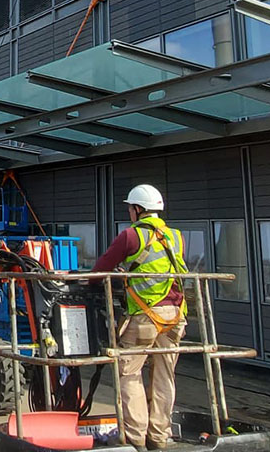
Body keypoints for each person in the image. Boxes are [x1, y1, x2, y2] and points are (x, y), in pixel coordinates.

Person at [91, 184, 188, 451]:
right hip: (175, 316)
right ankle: (159, 437)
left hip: (146, 316)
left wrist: (90, 283)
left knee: (129, 373)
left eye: (130, 208)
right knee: (165, 375)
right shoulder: (175, 236)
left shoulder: (131, 236)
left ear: (137, 210)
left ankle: (135, 438)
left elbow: (101, 268)